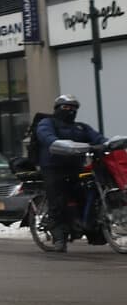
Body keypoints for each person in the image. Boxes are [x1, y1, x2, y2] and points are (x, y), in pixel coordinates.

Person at [36, 94, 104, 252]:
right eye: (66, 107)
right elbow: (47, 137)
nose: (70, 111)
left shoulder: (80, 127)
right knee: (58, 200)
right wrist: (57, 143)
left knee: (88, 193)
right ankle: (59, 237)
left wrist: (109, 143)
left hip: (76, 166)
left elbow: (98, 138)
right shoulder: (47, 123)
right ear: (57, 108)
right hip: (53, 167)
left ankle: (91, 229)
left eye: (74, 108)